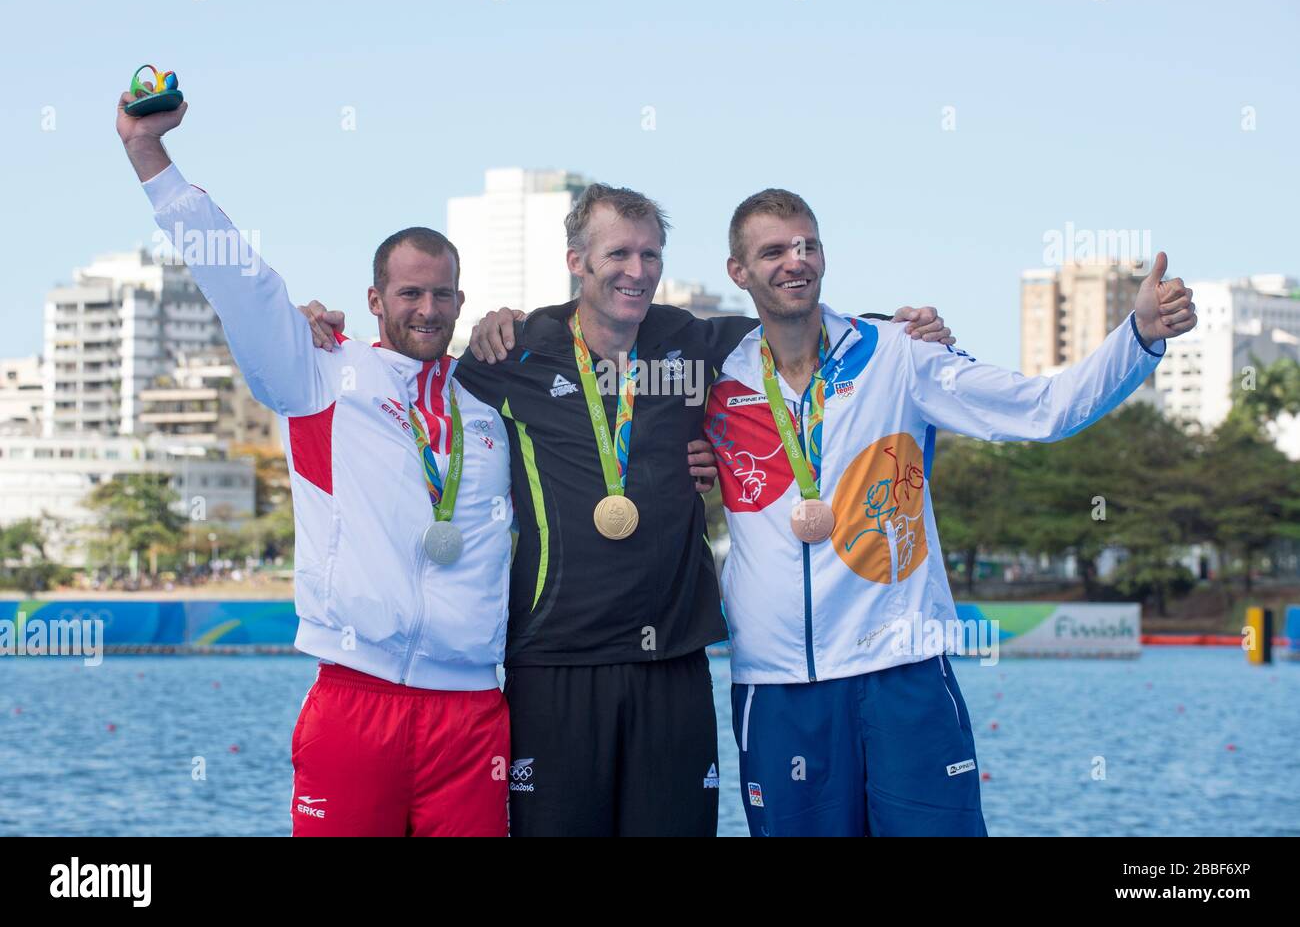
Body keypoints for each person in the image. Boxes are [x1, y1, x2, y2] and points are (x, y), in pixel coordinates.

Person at [114, 89, 717, 835]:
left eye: (441, 296)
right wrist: (151, 157)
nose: (426, 311)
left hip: (472, 714)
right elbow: (241, 286)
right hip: (355, 697)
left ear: (462, 301)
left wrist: (693, 460)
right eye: (409, 294)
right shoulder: (323, 377)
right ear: (373, 298)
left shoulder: (487, 398)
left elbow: (587, 452)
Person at [313, 182, 954, 835]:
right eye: (619, 253)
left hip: (671, 666)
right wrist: (327, 340)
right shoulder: (515, 350)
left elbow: (797, 328)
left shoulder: (694, 341)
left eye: (651, 255)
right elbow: (415, 373)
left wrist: (894, 327)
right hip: (553, 664)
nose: (637, 271)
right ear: (576, 261)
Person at [704, 188, 1196, 836]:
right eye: (772, 251)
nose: (795, 262)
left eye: (808, 246)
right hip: (778, 687)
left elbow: (1045, 409)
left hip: (902, 676)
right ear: (738, 271)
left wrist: (1137, 337)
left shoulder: (898, 354)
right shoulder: (714, 381)